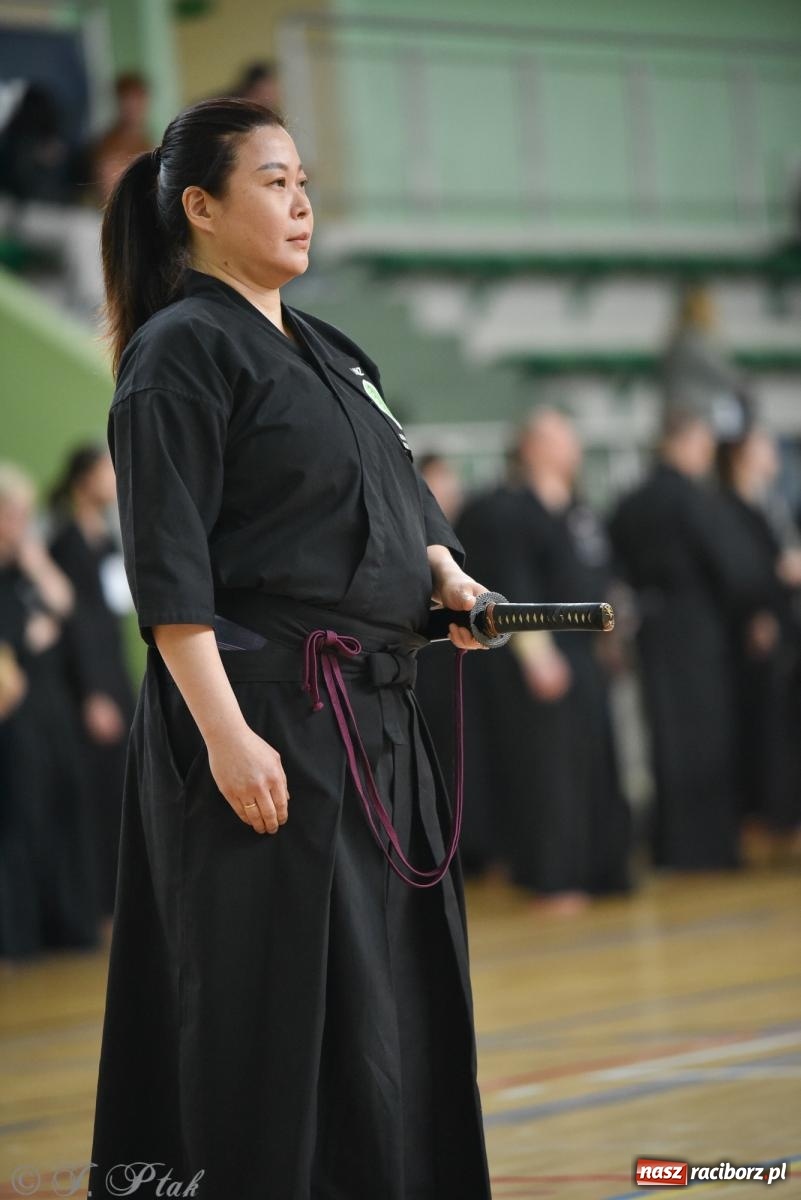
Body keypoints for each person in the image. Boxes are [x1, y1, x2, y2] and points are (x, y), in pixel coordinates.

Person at [87, 98, 493, 1200]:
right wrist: (226, 736)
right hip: (266, 717)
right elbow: (170, 578)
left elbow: (397, 500)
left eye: (304, 177)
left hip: (371, 722)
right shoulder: (179, 354)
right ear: (202, 208)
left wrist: (447, 576)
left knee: (395, 996)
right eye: (273, 181)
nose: (302, 200)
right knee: (280, 1016)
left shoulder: (332, 350)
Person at [457, 410, 630, 910]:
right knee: (548, 769)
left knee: (593, 762)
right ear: (530, 446)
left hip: (586, 653)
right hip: (540, 652)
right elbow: (513, 587)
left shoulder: (577, 510)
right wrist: (538, 657)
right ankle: (551, 877)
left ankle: (601, 869)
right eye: (557, 437)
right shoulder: (507, 509)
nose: (570, 446)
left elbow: (602, 580)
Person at [609, 410, 766, 871]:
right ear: (683, 442)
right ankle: (707, 850)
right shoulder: (696, 501)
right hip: (699, 631)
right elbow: (736, 569)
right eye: (701, 442)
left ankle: (670, 847)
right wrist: (755, 607)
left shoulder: (632, 500)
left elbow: (611, 563)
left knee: (665, 736)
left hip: (652, 630)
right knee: (706, 736)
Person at [0, 463, 98, 958]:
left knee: (61, 812)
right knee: (21, 820)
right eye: (13, 514)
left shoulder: (27, 567)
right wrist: (27, 637)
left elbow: (63, 602)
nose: (22, 523)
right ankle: (18, 938)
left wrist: (35, 559)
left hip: (50, 712)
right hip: (14, 721)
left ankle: (63, 928)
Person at [47, 444, 136, 926]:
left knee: (121, 784)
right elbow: (75, 627)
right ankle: (96, 899)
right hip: (89, 687)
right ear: (83, 479)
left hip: (115, 675)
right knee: (95, 790)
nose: (114, 480)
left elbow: (109, 617)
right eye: (106, 471)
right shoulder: (64, 541)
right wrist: (93, 693)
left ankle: (118, 893)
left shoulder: (105, 540)